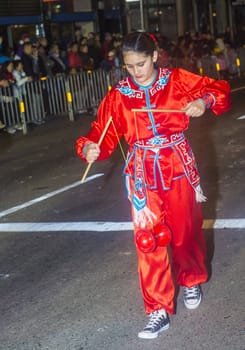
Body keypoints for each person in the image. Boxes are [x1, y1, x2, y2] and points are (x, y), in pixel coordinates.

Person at [75, 32, 231, 340]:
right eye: (129, 66)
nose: (136, 72)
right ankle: (157, 308)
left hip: (177, 166)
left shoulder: (176, 81)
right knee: (149, 240)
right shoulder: (119, 94)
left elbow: (219, 90)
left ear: (155, 56)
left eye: (141, 64)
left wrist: (203, 101)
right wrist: (90, 148)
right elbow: (102, 132)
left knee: (186, 231)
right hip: (142, 174)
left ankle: (190, 279)